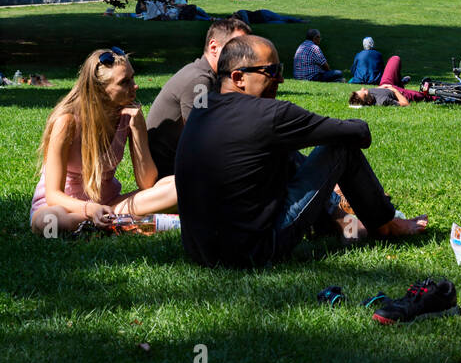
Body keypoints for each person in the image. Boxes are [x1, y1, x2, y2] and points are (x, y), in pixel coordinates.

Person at [174, 35, 427, 268]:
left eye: (280, 70)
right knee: (341, 147)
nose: (281, 79)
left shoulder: (202, 108)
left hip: (199, 250)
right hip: (254, 251)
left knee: (285, 152)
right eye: (272, 71)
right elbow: (358, 133)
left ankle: (341, 222)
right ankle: (386, 225)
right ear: (239, 77)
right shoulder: (271, 115)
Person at [30, 47, 178, 234]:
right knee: (49, 223)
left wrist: (138, 128)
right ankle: (121, 223)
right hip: (66, 208)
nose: (135, 86)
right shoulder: (66, 122)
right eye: (124, 82)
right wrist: (90, 210)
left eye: (133, 77)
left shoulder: (127, 115)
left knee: (179, 186)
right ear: (99, 90)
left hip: (109, 204)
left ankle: (107, 224)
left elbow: (147, 184)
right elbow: (53, 195)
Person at [146, 16, 252, 178]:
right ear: (214, 47)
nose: (245, 56)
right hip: (169, 174)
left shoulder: (207, 75)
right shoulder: (200, 81)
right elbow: (200, 134)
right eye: (238, 48)